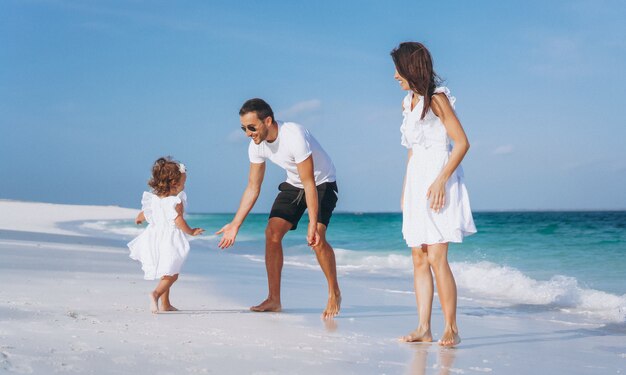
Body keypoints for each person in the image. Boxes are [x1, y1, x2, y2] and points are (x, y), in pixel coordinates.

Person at [216, 98, 341, 319]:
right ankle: (274, 299)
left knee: (317, 237)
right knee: (272, 233)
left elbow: (310, 182)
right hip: (294, 184)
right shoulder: (256, 146)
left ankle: (334, 292)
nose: (247, 133)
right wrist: (235, 224)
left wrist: (312, 223)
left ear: (268, 121)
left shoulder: (294, 135)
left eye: (252, 127)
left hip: (321, 182)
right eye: (244, 128)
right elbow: (253, 187)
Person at [391, 42, 477, 346]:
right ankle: (423, 327)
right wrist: (405, 191)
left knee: (438, 256)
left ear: (411, 68)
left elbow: (462, 143)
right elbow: (412, 152)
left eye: (398, 69)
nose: (394, 76)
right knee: (418, 256)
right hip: (417, 182)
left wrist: (441, 181)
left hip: (441, 178)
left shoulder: (438, 100)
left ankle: (451, 327)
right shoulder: (408, 103)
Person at [128, 157, 205, 313]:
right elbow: (178, 220)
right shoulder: (176, 201)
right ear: (175, 184)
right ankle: (155, 294)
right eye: (184, 183)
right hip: (170, 239)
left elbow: (145, 213)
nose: (184, 186)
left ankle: (166, 304)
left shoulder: (154, 199)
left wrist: (139, 218)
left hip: (154, 237)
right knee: (173, 274)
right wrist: (191, 231)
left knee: (166, 271)